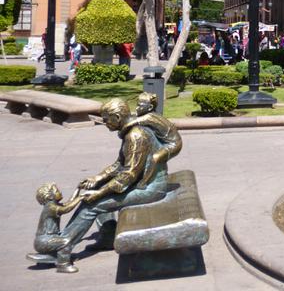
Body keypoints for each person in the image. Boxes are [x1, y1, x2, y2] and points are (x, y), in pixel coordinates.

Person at [34, 99, 175, 273]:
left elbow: (127, 175)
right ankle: (108, 237)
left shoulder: (135, 136)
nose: (104, 123)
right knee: (98, 191)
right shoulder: (130, 133)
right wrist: (98, 178)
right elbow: (119, 164)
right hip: (143, 183)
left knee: (91, 205)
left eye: (107, 119)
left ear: (117, 117)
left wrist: (99, 193)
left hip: (150, 188)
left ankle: (62, 251)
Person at [26, 183, 83, 273]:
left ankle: (51, 258)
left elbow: (68, 202)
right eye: (57, 191)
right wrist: (80, 198)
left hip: (46, 239)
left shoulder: (53, 205)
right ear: (49, 196)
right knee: (65, 241)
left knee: (63, 239)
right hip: (44, 241)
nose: (60, 192)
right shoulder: (51, 207)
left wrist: (78, 189)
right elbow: (66, 209)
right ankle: (63, 265)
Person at [131, 92, 183, 184]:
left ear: (150, 107)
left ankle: (144, 182)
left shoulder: (149, 117)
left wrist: (121, 131)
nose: (136, 108)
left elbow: (129, 124)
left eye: (140, 106)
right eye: (137, 105)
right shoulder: (150, 115)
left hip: (173, 145)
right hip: (166, 141)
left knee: (155, 158)